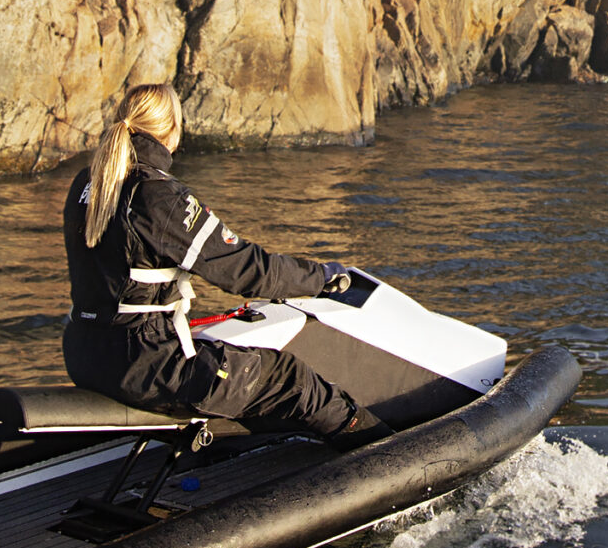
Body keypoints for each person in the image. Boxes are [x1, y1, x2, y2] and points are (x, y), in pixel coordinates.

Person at [62, 80, 385, 441]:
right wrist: (320, 277)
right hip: (146, 364)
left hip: (84, 354)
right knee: (288, 377)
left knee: (230, 362)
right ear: (171, 131)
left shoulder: (88, 183)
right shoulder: (159, 195)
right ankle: (382, 450)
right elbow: (246, 271)